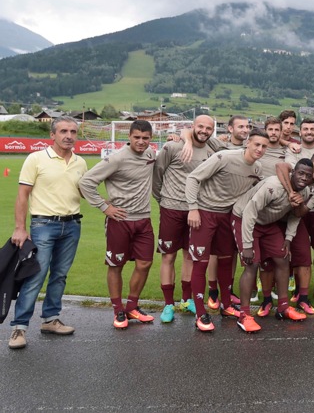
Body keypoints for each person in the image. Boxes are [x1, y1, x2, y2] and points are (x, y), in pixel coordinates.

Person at [8, 117, 87, 349]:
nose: (69, 136)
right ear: (52, 135)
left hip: (72, 225)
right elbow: (22, 195)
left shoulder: (80, 162)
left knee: (60, 275)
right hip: (43, 225)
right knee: (35, 276)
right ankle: (19, 328)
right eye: (63, 131)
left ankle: (50, 319)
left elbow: (84, 192)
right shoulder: (36, 159)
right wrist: (20, 228)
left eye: (73, 132)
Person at [185, 129, 269, 332]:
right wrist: (193, 208)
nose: (260, 149)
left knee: (225, 260)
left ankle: (226, 305)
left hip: (227, 216)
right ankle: (200, 313)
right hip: (205, 213)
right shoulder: (224, 157)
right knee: (201, 263)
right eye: (256, 144)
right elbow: (193, 178)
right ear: (248, 143)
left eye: (264, 146)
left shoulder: (257, 168)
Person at [79, 120, 157, 329]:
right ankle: (118, 311)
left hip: (144, 220)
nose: (141, 142)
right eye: (137, 137)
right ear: (129, 137)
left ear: (150, 139)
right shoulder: (117, 158)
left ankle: (132, 307)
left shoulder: (150, 154)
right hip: (120, 221)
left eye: (145, 138)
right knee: (116, 265)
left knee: (145, 263)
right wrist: (105, 207)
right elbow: (86, 182)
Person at [152, 115, 221, 323]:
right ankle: (168, 304)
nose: (204, 131)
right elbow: (157, 174)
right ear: (193, 126)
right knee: (168, 257)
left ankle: (186, 299)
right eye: (200, 126)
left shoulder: (213, 150)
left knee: (190, 256)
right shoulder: (173, 147)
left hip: (198, 210)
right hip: (171, 209)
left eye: (208, 128)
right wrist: (164, 199)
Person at [232, 161, 314, 332]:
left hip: (267, 223)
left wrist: (289, 237)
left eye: (308, 176)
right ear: (293, 172)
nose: (304, 178)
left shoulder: (305, 191)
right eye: (301, 173)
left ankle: (283, 307)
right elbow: (250, 211)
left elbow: (295, 215)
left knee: (283, 258)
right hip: (244, 217)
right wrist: (247, 244)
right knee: (252, 264)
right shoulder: (273, 186)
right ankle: (244, 315)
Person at [276, 152, 314, 307]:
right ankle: (298, 288)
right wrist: (291, 192)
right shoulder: (299, 172)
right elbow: (281, 166)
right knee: (298, 249)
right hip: (295, 215)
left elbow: (302, 211)